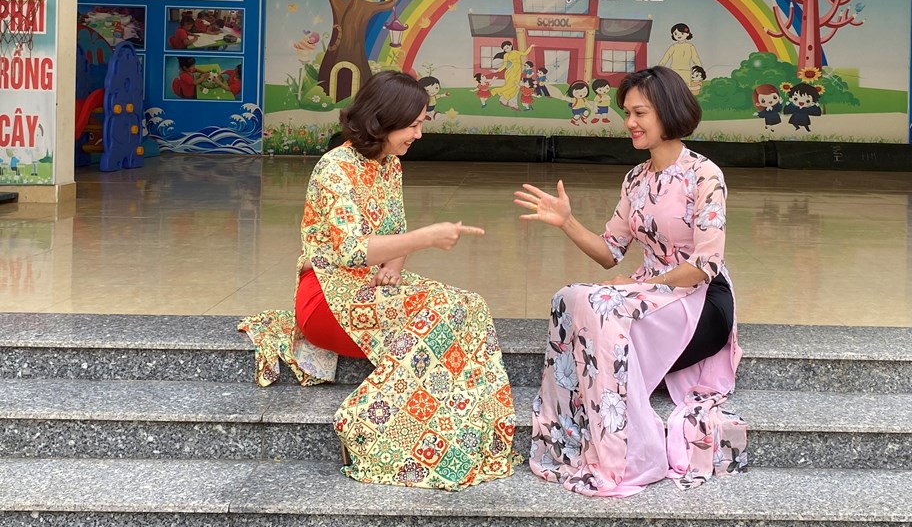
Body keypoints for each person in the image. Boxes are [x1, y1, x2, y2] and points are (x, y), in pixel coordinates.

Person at [239, 71, 519, 488]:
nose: (419, 134)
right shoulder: (334, 168)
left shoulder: (389, 165)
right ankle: (365, 425)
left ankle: (463, 429)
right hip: (327, 298)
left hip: (371, 286)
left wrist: (396, 265)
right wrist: (427, 238)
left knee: (470, 305)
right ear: (383, 120)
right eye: (413, 125)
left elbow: (394, 231)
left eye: (421, 123)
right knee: (442, 313)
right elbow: (352, 250)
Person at [515, 65, 746, 497]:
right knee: (570, 297)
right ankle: (567, 438)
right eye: (627, 113)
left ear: (668, 112)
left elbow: (704, 265)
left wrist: (641, 285)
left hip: (701, 301)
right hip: (650, 295)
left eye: (640, 113)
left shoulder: (704, 174)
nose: (630, 123)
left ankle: (630, 456)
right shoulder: (636, 178)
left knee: (602, 304)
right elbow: (610, 252)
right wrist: (567, 222)